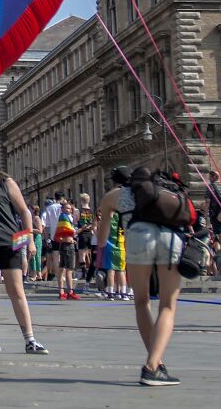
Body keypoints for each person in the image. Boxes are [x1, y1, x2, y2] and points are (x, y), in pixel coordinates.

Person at [98, 165, 185, 387]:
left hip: (137, 237)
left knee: (141, 302)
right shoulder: (164, 190)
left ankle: (153, 365)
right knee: (167, 306)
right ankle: (154, 363)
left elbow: (101, 237)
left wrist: (100, 249)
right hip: (171, 238)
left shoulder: (114, 196)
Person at [0, 146, 48, 355]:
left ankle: (30, 339)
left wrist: (29, 239)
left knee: (16, 291)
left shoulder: (6, 182)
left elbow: (24, 211)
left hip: (10, 242)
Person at [101, 167, 130, 300]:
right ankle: (124, 292)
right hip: (123, 242)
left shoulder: (110, 200)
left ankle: (111, 292)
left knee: (111, 270)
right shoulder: (134, 194)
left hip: (110, 242)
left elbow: (102, 231)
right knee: (122, 270)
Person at [53, 200, 79, 300]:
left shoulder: (62, 218)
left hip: (63, 245)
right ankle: (70, 292)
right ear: (62, 209)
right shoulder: (64, 217)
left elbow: (62, 234)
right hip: (68, 246)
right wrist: (80, 230)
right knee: (69, 270)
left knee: (62, 269)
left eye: (70, 208)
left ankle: (61, 292)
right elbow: (69, 233)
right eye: (67, 208)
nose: (70, 210)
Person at [76, 192, 94, 281]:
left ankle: (84, 273)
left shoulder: (78, 211)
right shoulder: (91, 211)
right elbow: (93, 223)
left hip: (82, 233)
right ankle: (91, 272)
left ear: (81, 200)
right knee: (89, 254)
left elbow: (75, 222)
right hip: (90, 233)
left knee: (82, 255)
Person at [27, 205, 44, 281]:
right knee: (34, 256)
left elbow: (40, 230)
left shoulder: (36, 218)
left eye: (30, 209)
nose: (29, 210)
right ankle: (37, 274)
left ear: (33, 210)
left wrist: (29, 229)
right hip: (32, 238)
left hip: (36, 238)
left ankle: (36, 274)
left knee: (36, 256)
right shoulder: (31, 218)